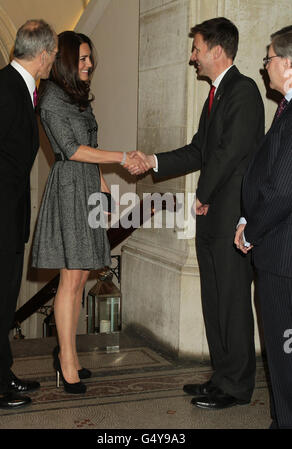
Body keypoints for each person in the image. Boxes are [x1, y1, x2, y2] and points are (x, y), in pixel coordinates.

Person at [129, 17, 265, 409]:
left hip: (231, 215)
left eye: (197, 48)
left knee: (233, 301)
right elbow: (198, 150)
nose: (193, 57)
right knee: (214, 299)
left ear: (217, 51)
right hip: (212, 216)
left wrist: (202, 194)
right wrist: (151, 160)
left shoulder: (243, 91)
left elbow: (229, 153)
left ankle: (237, 386)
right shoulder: (216, 96)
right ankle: (221, 377)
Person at [31, 31, 145, 394]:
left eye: (89, 58)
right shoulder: (50, 98)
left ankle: (71, 356)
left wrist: (102, 184)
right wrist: (122, 158)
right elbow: (71, 149)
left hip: (86, 186)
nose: (89, 64)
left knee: (80, 279)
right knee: (70, 279)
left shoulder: (77, 97)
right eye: (82, 59)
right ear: (65, 60)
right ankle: (66, 362)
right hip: (67, 189)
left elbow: (89, 144)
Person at [0, 20, 58, 409]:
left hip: (7, 220)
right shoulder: (2, 88)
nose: (53, 62)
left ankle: (2, 371)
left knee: (2, 304)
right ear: (44, 53)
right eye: (53, 56)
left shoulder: (19, 88)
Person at [235, 28, 292, 429]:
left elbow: (283, 188)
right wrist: (245, 217)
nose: (264, 65)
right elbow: (268, 174)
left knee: (284, 351)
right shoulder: (286, 108)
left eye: (269, 58)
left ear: (290, 64)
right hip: (277, 246)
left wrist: (251, 230)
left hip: (283, 256)